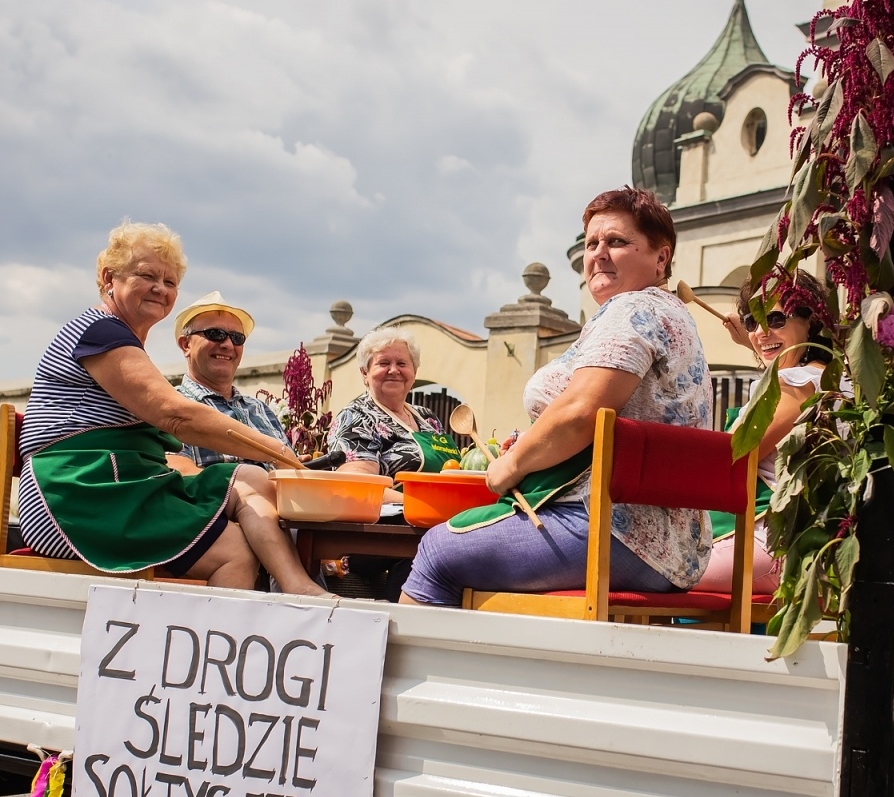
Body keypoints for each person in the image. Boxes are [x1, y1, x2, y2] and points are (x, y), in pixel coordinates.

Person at [402, 186, 712, 607]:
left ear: (661, 257)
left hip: (617, 533)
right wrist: (534, 448)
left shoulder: (632, 310)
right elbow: (606, 430)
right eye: (591, 243)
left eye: (617, 242)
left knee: (438, 552)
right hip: (672, 547)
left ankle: (417, 673)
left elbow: (583, 414)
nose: (598, 253)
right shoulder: (673, 315)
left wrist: (510, 465)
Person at [15, 222, 324, 595]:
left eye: (171, 282)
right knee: (235, 551)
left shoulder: (121, 340)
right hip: (76, 496)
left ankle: (297, 587)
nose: (161, 289)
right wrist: (281, 453)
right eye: (147, 276)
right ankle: (208, 647)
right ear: (108, 277)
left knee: (250, 478)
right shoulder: (99, 332)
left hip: (123, 485)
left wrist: (279, 460)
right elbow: (176, 415)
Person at [695, 269, 837, 594]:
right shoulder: (825, 374)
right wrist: (761, 337)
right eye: (751, 321)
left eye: (774, 318)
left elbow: (735, 455)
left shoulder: (800, 383)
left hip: (774, 544)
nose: (760, 332)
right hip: (789, 543)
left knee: (645, 563)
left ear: (812, 320)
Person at [166, 291, 293, 472]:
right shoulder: (171, 405)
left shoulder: (260, 408)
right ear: (186, 344)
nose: (227, 344)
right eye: (215, 334)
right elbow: (179, 474)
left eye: (237, 338)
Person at [329, 328, 460, 486]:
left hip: (449, 506)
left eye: (402, 363)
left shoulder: (427, 417)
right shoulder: (356, 417)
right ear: (365, 373)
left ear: (414, 371)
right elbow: (359, 486)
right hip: (395, 510)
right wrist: (423, 505)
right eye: (384, 363)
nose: (394, 370)